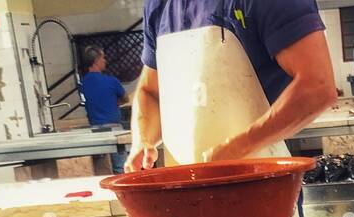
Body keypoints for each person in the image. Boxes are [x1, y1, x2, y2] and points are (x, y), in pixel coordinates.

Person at [127, 0, 336, 171]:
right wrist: (142, 141)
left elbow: (317, 86)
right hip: (186, 185)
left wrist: (236, 148)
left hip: (262, 182)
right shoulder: (158, 6)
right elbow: (150, 92)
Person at [80, 46, 130, 172]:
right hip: (114, 129)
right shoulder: (111, 81)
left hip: (95, 130)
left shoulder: (83, 83)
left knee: (100, 168)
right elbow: (126, 99)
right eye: (103, 58)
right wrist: (114, 102)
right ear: (96, 60)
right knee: (120, 167)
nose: (105, 61)